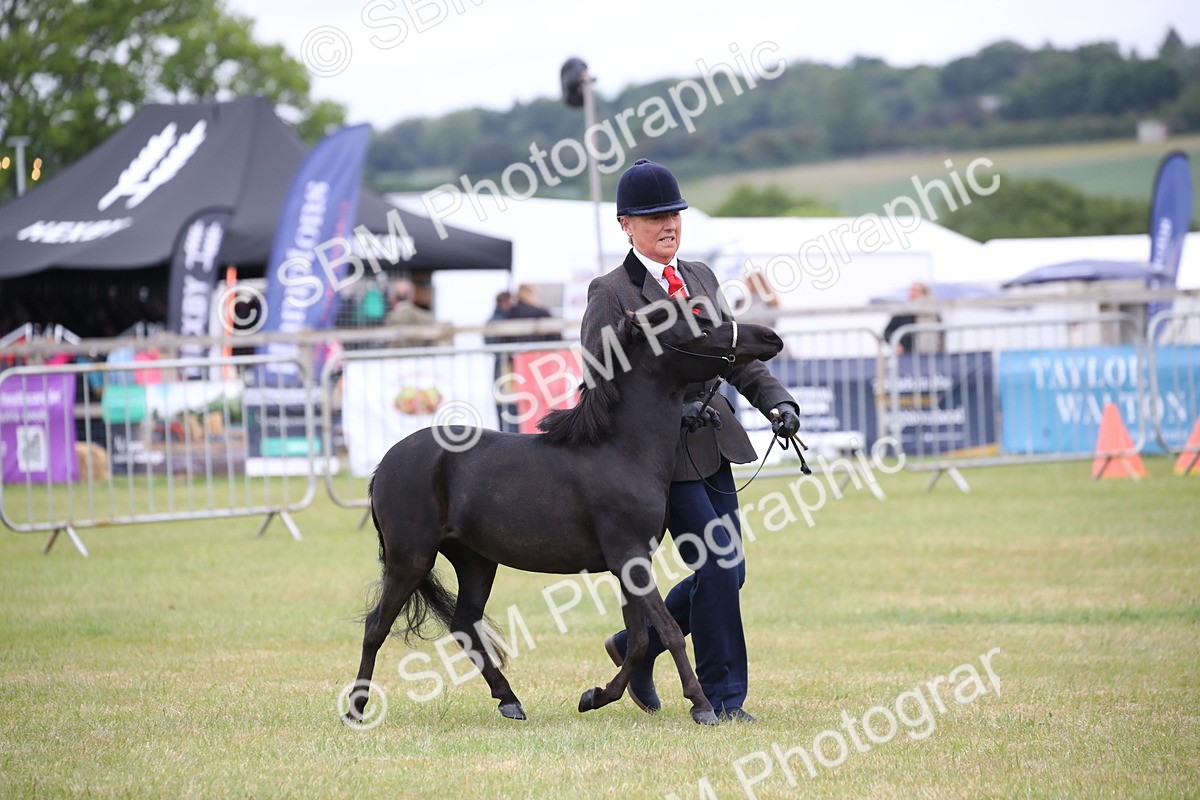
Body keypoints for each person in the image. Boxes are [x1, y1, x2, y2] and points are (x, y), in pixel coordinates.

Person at [580, 158, 800, 723]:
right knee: (720, 564)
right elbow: (598, 378)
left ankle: (639, 644)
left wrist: (777, 401)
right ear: (626, 225)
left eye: (674, 213)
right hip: (659, 458)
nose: (668, 224)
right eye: (654, 217)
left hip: (714, 442)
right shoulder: (611, 292)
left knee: (730, 570)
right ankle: (724, 698)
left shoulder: (700, 277)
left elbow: (733, 356)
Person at [883, 282, 944, 355]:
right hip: (906, 355)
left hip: (931, 355)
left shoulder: (933, 313)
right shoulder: (902, 312)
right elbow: (887, 332)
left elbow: (942, 333)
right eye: (910, 290)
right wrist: (896, 344)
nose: (912, 293)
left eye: (916, 290)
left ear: (924, 293)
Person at [385, 278, 439, 347]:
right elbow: (433, 344)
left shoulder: (392, 318)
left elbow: (391, 346)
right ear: (413, 297)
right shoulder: (427, 317)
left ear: (392, 299)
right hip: (422, 353)